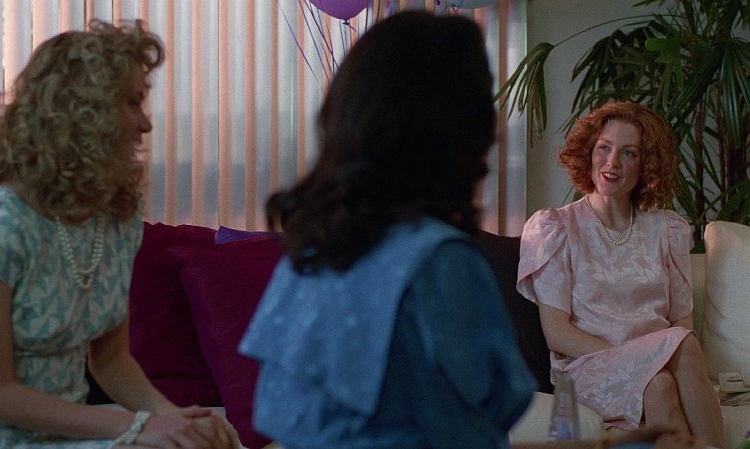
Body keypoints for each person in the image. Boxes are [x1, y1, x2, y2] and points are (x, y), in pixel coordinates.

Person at [237, 11, 697, 449]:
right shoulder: (440, 261)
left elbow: (275, 405)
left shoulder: (311, 251)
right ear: (459, 130)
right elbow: (498, 403)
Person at [0, 20, 238, 449]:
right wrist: (136, 426)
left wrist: (174, 418)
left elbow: (111, 361)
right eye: (131, 102)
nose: (145, 124)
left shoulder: (114, 222)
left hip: (70, 434)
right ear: (83, 113)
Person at [516, 101, 723, 447]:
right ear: (589, 152)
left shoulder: (667, 229)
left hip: (659, 368)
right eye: (604, 148)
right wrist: (637, 357)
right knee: (680, 348)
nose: (612, 162)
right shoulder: (556, 227)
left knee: (660, 384)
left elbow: (682, 319)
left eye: (629, 153)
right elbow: (556, 333)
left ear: (645, 164)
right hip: (589, 367)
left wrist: (649, 362)